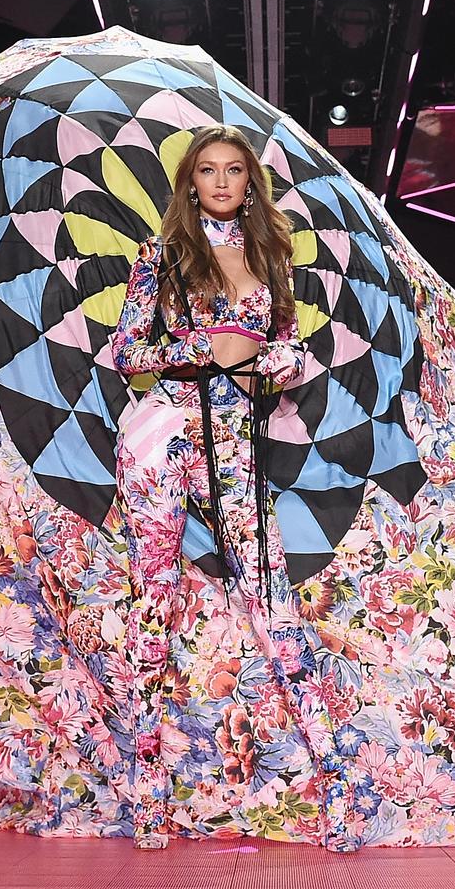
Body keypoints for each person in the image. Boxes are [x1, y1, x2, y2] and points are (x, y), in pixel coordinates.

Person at [111, 125, 359, 852]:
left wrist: (276, 358)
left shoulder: (270, 258)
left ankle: (337, 790)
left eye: (235, 171)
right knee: (152, 607)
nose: (221, 182)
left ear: (251, 184)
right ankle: (147, 800)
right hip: (163, 442)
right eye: (208, 171)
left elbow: (283, 352)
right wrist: (205, 345)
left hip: (237, 453)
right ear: (191, 182)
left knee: (276, 610)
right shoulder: (160, 258)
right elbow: (126, 352)